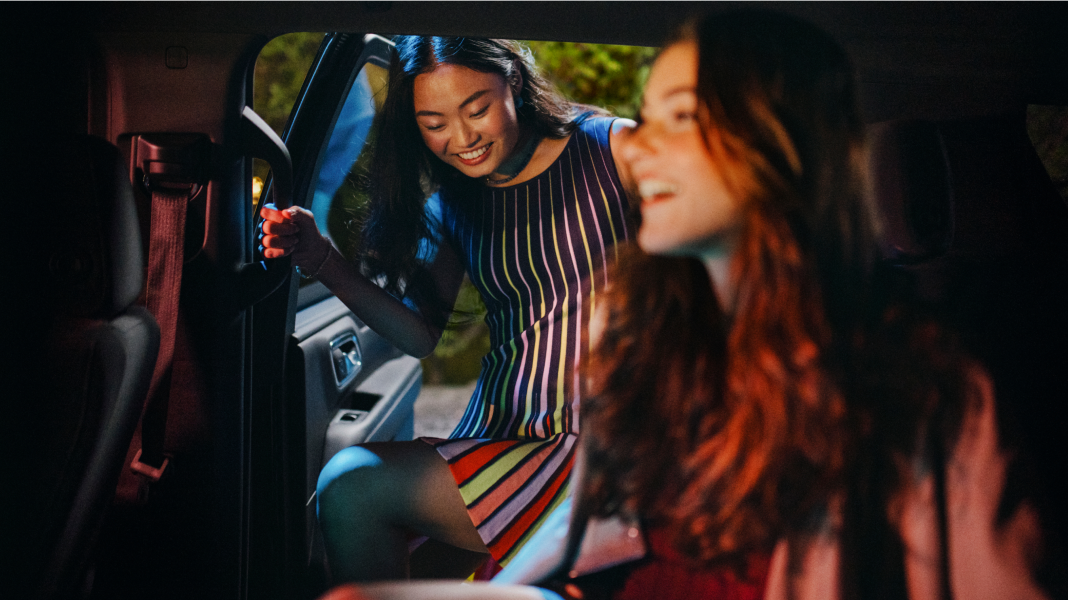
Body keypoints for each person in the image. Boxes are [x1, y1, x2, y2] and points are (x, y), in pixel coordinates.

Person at [317, 9, 1056, 600]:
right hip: (526, 441)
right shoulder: (657, 363)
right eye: (432, 122)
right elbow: (611, 522)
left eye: (676, 121)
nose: (636, 147)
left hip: (570, 455)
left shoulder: (909, 395)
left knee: (354, 492)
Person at [260, 36, 634, 581]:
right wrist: (321, 259)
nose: (461, 139)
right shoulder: (455, 200)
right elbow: (418, 336)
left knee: (351, 485)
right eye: (433, 124)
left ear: (516, 82)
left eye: (477, 109)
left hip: (599, 437)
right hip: (503, 425)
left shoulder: (613, 148)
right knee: (409, 561)